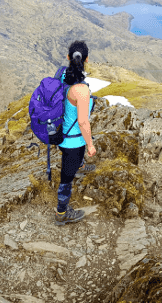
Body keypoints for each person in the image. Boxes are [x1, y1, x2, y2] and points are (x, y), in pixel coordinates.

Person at [55, 40, 97, 226]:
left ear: (68, 57)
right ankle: (62, 212)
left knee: (71, 163)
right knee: (66, 177)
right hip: (72, 141)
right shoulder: (81, 90)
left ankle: (78, 167)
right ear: (86, 59)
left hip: (59, 134)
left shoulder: (62, 74)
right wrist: (90, 144)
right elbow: (82, 121)